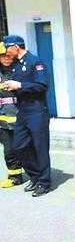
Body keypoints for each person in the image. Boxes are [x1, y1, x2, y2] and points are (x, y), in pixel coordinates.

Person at [1, 35, 52, 197]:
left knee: (40, 147)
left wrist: (20, 85)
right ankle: (35, 175)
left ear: (16, 47)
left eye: (7, 48)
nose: (6, 52)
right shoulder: (16, 64)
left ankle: (44, 182)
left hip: (37, 110)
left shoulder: (35, 62)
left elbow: (42, 85)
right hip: (22, 111)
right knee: (19, 146)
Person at [0, 42, 24, 188]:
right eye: (2, 56)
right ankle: (14, 176)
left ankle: (35, 175)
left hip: (21, 117)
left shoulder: (19, 70)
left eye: (8, 56)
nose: (6, 59)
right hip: (3, 119)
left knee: (26, 149)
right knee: (9, 151)